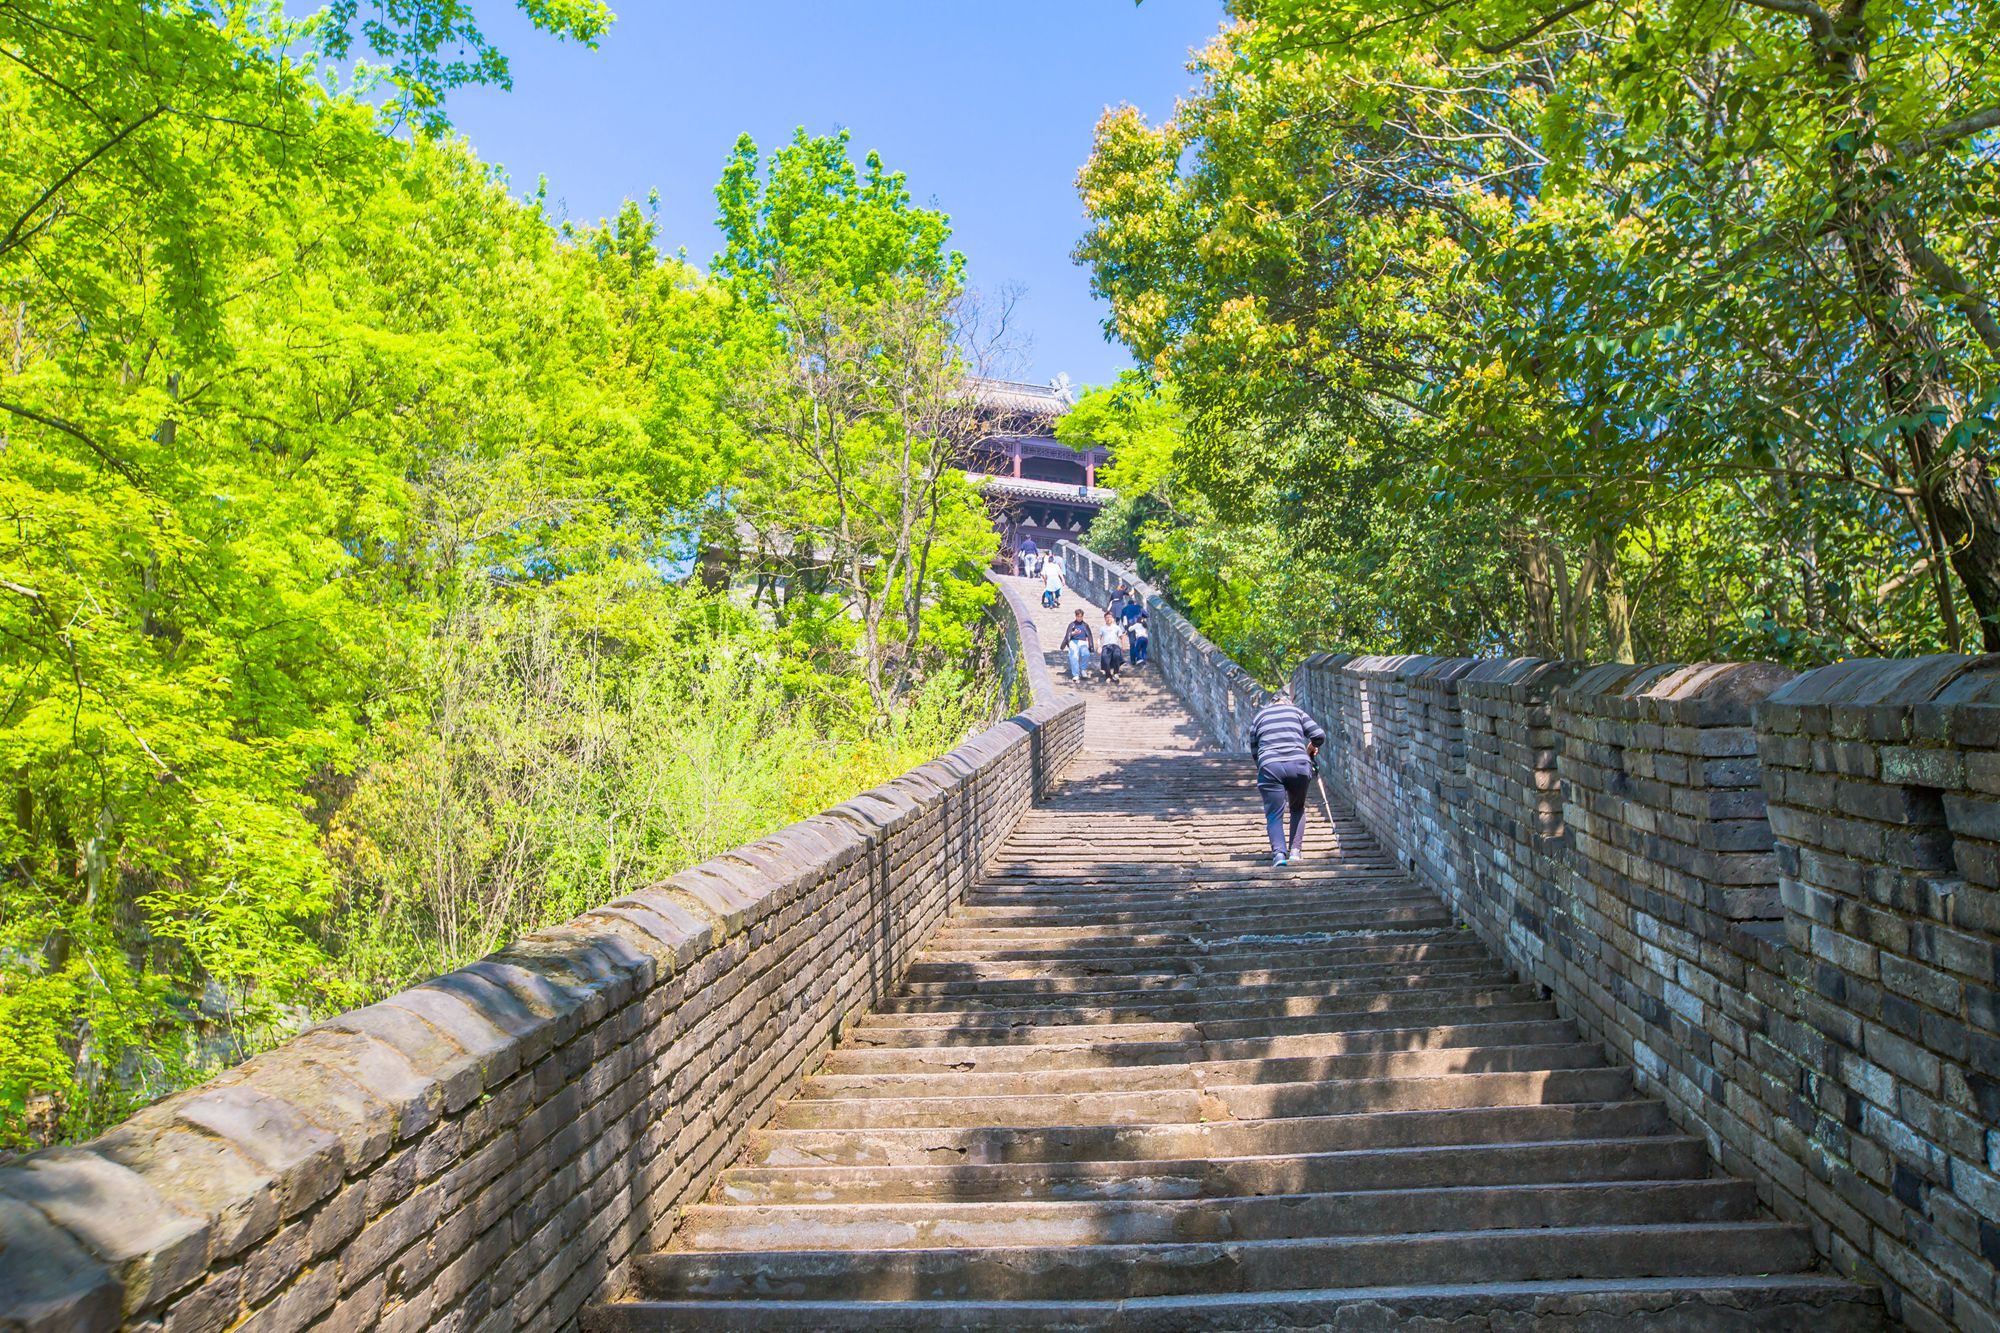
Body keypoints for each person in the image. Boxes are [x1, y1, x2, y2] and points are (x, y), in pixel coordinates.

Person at [1248, 689, 1327, 868]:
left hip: (1270, 766)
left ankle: (1278, 855)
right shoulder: (1296, 712)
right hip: (1299, 764)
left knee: (1274, 813)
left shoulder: (1259, 717)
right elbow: (1319, 735)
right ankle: (1295, 852)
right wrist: (1311, 748)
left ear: (1272, 703)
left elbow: (1254, 750)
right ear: (1287, 701)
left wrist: (1264, 769)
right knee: (1297, 808)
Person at [1061, 610, 1095, 681]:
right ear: (1076, 616)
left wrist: (1091, 645)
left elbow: (1089, 635)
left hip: (1083, 642)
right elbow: (1067, 635)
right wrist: (1073, 633)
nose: (1079, 618)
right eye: (1078, 616)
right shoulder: (1072, 624)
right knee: (1074, 655)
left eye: (1081, 616)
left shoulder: (1085, 625)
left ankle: (1083, 669)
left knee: (1086, 654)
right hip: (1073, 641)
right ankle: (1076, 674)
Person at [1099, 610, 1126, 683]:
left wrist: (1123, 646)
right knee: (1105, 659)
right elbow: (1099, 638)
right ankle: (1108, 675)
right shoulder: (1102, 628)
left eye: (1110, 617)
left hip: (1115, 645)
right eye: (1107, 617)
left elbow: (1121, 637)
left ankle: (1116, 673)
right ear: (1105, 619)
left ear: (1112, 618)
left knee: (1117, 655)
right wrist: (1099, 647)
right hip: (1106, 646)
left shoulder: (1116, 627)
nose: (1108, 619)